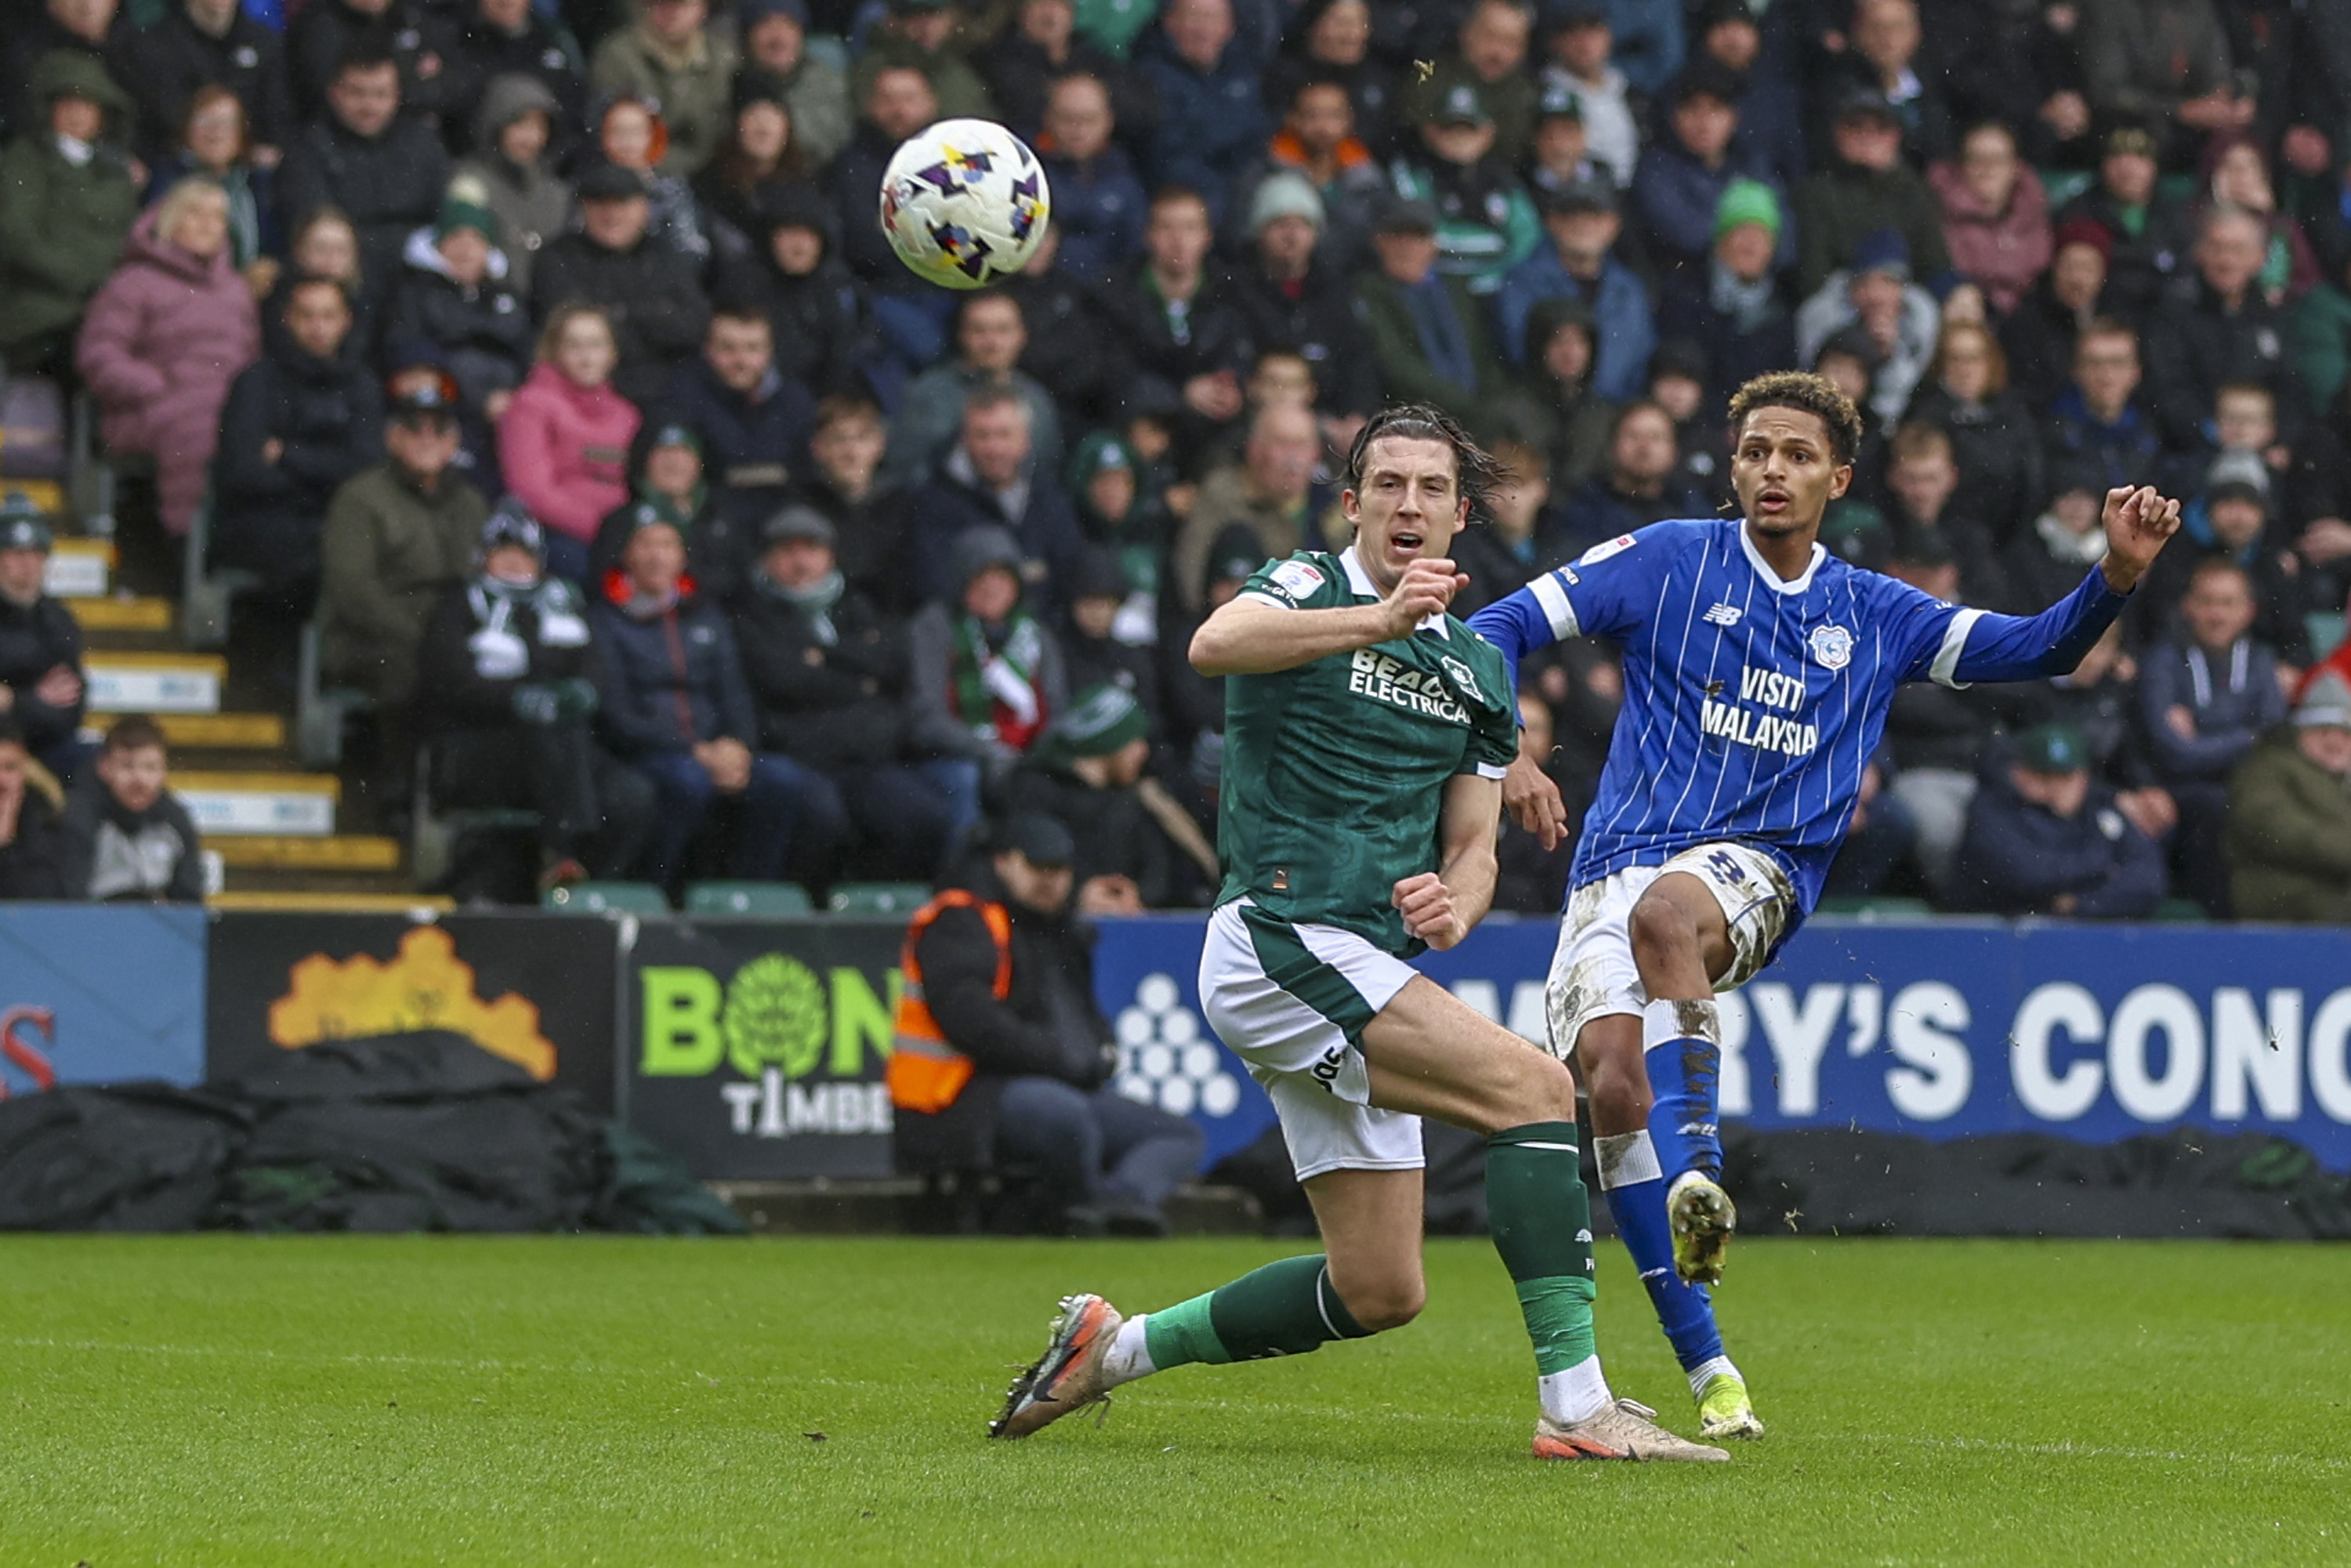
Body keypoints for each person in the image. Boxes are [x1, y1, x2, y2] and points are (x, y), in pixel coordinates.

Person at [991, 404, 1723, 1462]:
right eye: (1388, 485)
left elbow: (1474, 845)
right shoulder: (1305, 587)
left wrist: (1459, 903)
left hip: (1363, 960)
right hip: (1280, 934)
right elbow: (1214, 644)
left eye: (1431, 488)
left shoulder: (1477, 669)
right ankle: (1576, 1405)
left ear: (1461, 516)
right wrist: (1376, 621)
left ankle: (1111, 1350)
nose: (1408, 504)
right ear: (1353, 504)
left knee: (1379, 1288)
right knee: (1533, 1088)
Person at [1468, 371, 2182, 1439]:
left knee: (1670, 921)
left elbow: (2038, 649)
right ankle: (1709, 1365)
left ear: (1838, 479)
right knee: (1612, 1090)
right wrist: (1507, 747)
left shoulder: (1873, 612)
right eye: (1756, 450)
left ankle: (1702, 1168)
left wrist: (2116, 576)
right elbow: (1499, 623)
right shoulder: (1668, 560)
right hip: (1610, 865)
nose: (1772, 470)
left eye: (1798, 455)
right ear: (1733, 463)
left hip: (1757, 870)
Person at [892, 809, 1204, 1233]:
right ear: (1003, 862)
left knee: (1177, 1136)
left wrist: (1098, 1054)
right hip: (962, 1094)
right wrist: (1060, 1059)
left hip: (1052, 1084)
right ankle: (1085, 1207)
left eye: (1059, 869)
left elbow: (1083, 1016)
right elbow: (973, 1023)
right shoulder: (962, 919)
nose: (1050, 880)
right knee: (1066, 1118)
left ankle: (1123, 1202)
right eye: (1037, 867)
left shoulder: (1062, 931)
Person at [591, 509, 838, 893]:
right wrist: (697, 751)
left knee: (783, 780)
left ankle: (752, 893)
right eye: (646, 544)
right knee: (687, 783)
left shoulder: (704, 615)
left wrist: (738, 746)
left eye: (667, 544)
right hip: (652, 752)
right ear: (626, 555)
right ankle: (655, 890)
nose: (657, 556)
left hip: (716, 752)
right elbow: (617, 714)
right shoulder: (607, 620)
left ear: (682, 556)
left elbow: (734, 692)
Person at [416, 502, 654, 896]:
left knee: (633, 795)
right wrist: (516, 699)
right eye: (503, 551)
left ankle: (588, 887)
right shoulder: (459, 605)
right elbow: (448, 678)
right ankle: (560, 851)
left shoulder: (564, 603)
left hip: (566, 748)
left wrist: (582, 691)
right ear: (483, 557)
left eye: (523, 553)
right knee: (548, 728)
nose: (513, 562)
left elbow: (592, 662)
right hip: (484, 745)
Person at [732, 505, 957, 879]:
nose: (801, 563)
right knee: (823, 818)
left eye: (811, 550)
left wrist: (824, 658)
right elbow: (782, 680)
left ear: (831, 557)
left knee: (924, 816)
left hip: (865, 758)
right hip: (798, 756)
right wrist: (857, 682)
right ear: (767, 559)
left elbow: (890, 663)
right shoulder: (752, 613)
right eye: (788, 551)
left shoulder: (859, 606)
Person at [76, 180, 260, 538]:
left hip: (225, 403)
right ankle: (187, 545)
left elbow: (253, 357)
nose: (208, 224)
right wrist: (153, 384)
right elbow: (99, 354)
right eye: (196, 213)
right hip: (151, 405)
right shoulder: (132, 282)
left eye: (218, 217)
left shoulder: (237, 290)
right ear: (170, 219)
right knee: (201, 432)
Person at [319, 370, 492, 714]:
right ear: (393, 438)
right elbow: (354, 591)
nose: (426, 438)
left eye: (438, 429)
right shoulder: (361, 498)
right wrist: (428, 640)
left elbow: (486, 578)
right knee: (416, 674)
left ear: (453, 443)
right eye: (414, 428)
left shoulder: (472, 503)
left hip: (454, 637)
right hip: (375, 639)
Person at [209, 274, 385, 610]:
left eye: (328, 316)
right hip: (264, 523)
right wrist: (330, 471)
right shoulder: (255, 381)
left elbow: (366, 467)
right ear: (288, 317)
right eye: (307, 315)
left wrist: (289, 455)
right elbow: (244, 472)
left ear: (346, 320)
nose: (317, 327)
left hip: (338, 520)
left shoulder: (362, 385)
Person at [2137, 557, 2287, 914]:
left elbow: (2274, 734)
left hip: (2248, 785)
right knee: (2213, 808)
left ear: (2248, 611)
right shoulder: (2163, 660)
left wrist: (2203, 731)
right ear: (2188, 606)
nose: (2216, 614)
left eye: (2228, 603)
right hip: (2180, 788)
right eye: (2207, 602)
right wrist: (2245, 736)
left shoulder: (2261, 661)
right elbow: (2173, 752)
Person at [273, 45, 449, 306]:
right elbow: (316, 233)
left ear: (396, 96)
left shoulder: (423, 144)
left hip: (419, 285)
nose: (369, 106)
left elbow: (445, 222)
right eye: (357, 93)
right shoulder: (307, 150)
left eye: (380, 94)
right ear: (335, 93)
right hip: (346, 289)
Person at [0, 52, 138, 380]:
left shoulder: (114, 173)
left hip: (107, 311)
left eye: (88, 105)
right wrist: (82, 277)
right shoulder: (23, 161)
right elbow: (15, 235)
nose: (78, 115)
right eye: (68, 104)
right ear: (49, 109)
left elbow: (131, 239)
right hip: (39, 312)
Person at [382, 186, 531, 483]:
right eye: (455, 238)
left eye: (476, 240)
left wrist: (517, 399)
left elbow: (528, 351)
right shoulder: (415, 292)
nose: (466, 249)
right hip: (451, 411)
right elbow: (410, 353)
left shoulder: (507, 296)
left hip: (510, 411)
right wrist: (475, 399)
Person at [534, 163, 712, 408]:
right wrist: (655, 313)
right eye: (601, 204)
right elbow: (565, 330)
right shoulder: (558, 258)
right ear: (584, 208)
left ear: (645, 208)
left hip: (664, 393)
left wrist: (620, 314)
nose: (612, 215)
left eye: (623, 203)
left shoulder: (666, 256)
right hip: (582, 397)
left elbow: (693, 327)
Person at [1951, 722, 2167, 918]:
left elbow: (2148, 880)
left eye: (2068, 777)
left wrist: (2079, 903)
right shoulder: (1991, 809)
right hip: (1997, 936)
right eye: (2046, 776)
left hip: (2085, 933)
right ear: (2020, 772)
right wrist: (2103, 863)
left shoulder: (2101, 808)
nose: (2060, 788)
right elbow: (2031, 876)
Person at [498, 303, 640, 584]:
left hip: (622, 535)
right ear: (554, 352)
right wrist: (604, 531)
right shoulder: (531, 404)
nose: (586, 357)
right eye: (574, 346)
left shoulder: (628, 414)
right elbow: (532, 493)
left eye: (596, 345)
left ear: (612, 354)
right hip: (561, 534)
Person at [2226, 672, 2351, 922]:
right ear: (2299, 732)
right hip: (2283, 891)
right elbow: (2274, 828)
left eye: (2345, 733)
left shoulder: (2344, 782)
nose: (2335, 741)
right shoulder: (2268, 768)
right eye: (2322, 729)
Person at [55, 715, 204, 903]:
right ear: (104, 767)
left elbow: (190, 904)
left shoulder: (175, 819)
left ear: (164, 771)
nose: (139, 779)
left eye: (150, 768)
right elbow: (69, 900)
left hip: (158, 929)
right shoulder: (78, 815)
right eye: (127, 766)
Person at [449, 74, 571, 299]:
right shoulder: (468, 180)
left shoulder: (558, 193)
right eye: (519, 124)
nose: (530, 138)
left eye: (539, 126)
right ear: (496, 125)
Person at [588, 0, 737, 176]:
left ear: (703, 8)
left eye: (682, 5)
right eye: (662, 3)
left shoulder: (723, 58)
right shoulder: (617, 56)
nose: (672, 12)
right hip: (640, 175)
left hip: (713, 173)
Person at [0, 498, 88, 784]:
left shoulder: (59, 620)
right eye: (16, 553)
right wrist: (35, 699)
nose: (28, 563)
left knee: (94, 765)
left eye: (37, 553)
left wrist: (13, 699)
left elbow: (70, 710)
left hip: (45, 748)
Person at [0, 717, 67, 900]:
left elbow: (40, 894)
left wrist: (5, 844)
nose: (2, 781)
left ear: (24, 770)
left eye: (10, 768)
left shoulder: (42, 813)